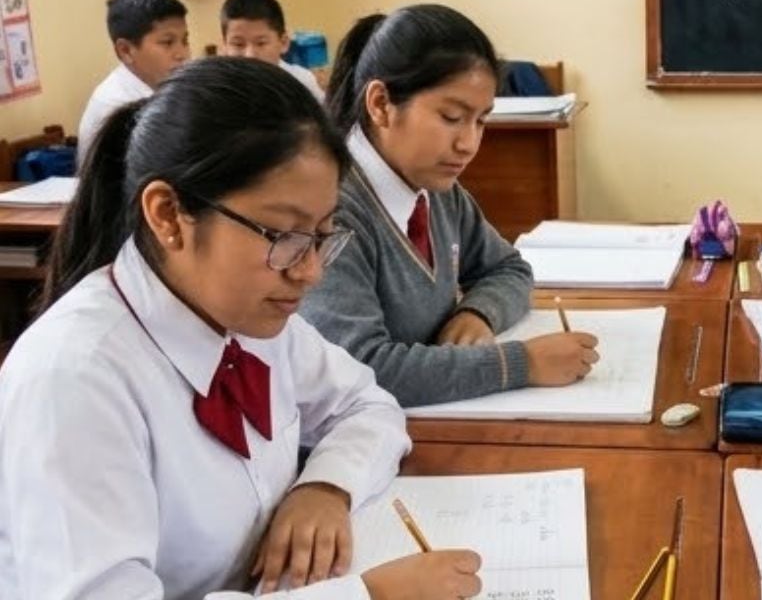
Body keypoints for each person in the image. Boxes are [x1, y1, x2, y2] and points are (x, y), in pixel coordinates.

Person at [0, 58, 481, 599]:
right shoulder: (74, 380)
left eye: (323, 234)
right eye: (283, 233)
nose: (311, 270)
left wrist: (324, 487)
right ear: (166, 213)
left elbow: (368, 405)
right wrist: (367, 595)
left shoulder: (245, 315)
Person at [300, 4, 598, 406]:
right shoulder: (331, 208)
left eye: (480, 121)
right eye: (452, 116)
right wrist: (520, 363)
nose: (469, 144)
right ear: (381, 103)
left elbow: (509, 268)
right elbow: (362, 368)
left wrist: (476, 314)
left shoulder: (436, 188)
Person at [78, 0, 190, 163]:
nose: (182, 54)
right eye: (168, 42)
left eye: (185, 41)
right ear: (126, 51)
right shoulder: (117, 107)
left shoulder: (164, 88)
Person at [220, 0, 324, 101]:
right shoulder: (218, 89)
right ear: (225, 46)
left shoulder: (301, 82)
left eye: (261, 43)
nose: (250, 55)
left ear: (283, 43)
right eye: (238, 44)